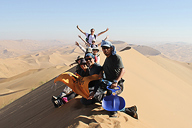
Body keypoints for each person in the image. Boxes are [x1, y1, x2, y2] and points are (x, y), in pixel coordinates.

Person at [101, 40, 138, 119]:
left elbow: (123, 70)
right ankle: (130, 110)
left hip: (117, 84)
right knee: (102, 97)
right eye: (103, 48)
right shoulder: (107, 59)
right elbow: (103, 68)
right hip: (108, 83)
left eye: (107, 48)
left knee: (111, 94)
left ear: (111, 48)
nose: (105, 50)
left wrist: (116, 81)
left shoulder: (116, 57)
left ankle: (114, 113)